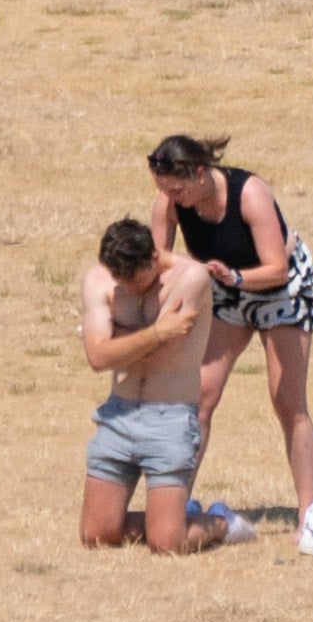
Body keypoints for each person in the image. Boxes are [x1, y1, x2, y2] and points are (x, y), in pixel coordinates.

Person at [146, 134, 313, 509]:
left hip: (282, 289)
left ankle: (310, 514)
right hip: (227, 288)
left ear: (200, 173)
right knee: (201, 397)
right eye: (165, 190)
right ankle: (174, 506)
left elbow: (275, 269)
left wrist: (236, 279)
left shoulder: (250, 193)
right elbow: (157, 261)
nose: (172, 198)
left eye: (177, 189)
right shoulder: (171, 203)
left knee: (287, 400)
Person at [76, 218, 247, 554]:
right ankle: (170, 516)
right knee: (95, 535)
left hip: (170, 419)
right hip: (118, 415)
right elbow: (97, 358)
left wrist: (116, 341)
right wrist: (155, 333)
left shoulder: (191, 277)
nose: (127, 287)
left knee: (167, 544)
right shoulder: (98, 280)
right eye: (119, 279)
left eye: (135, 280)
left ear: (153, 258)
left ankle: (221, 522)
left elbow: (161, 358)